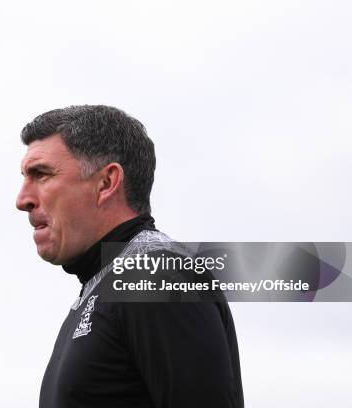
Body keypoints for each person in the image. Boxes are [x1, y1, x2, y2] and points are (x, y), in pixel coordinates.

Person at [16, 105, 244, 408]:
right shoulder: (105, 283)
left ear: (107, 183)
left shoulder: (154, 273)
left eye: (41, 174)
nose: (22, 200)